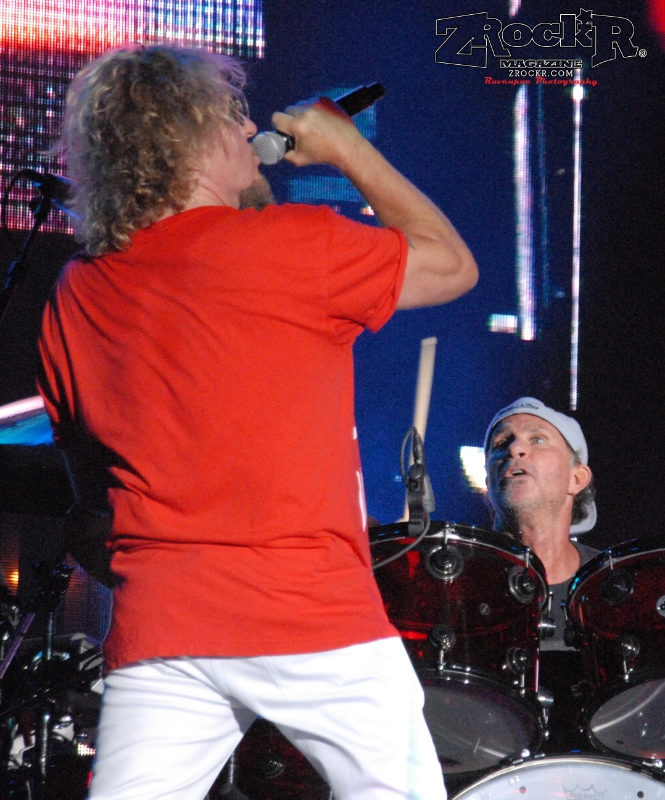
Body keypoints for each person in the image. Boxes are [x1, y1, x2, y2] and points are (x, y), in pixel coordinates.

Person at [37, 45, 477, 800]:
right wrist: (347, 149)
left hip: (164, 627)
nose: (248, 130)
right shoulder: (294, 244)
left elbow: (91, 491)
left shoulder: (77, 292)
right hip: (311, 613)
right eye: (230, 116)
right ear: (190, 137)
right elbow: (450, 264)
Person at [483, 397, 598, 753]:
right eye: (502, 443)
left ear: (576, 478)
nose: (515, 448)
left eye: (537, 439)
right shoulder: (454, 583)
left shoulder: (614, 586)